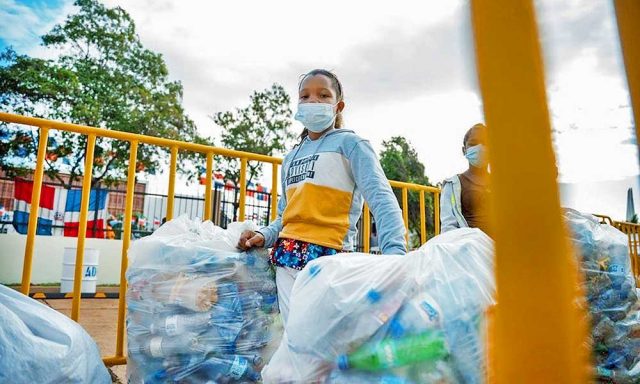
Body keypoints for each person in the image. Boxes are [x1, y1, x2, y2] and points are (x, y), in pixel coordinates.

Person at [237, 69, 407, 323]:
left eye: (323, 95)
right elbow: (285, 216)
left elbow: (381, 199)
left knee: (324, 340)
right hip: (286, 260)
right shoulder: (291, 158)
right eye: (305, 96)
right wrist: (263, 236)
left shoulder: (351, 145)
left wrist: (396, 257)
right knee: (296, 337)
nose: (313, 101)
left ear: (338, 106)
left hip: (329, 260)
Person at [440, 123, 491, 235]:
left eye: (485, 143)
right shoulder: (452, 185)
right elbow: (448, 227)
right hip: (467, 245)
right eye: (473, 143)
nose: (480, 148)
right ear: (464, 150)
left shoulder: (503, 184)